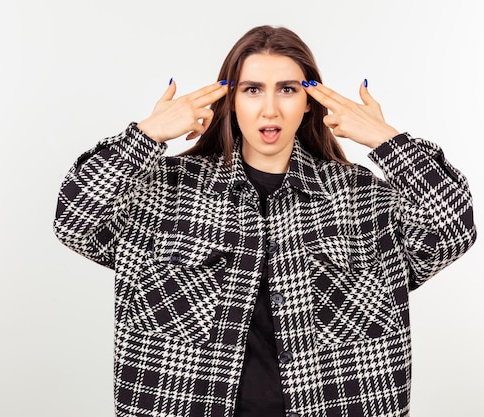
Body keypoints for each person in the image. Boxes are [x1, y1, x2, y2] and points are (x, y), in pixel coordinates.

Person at [53, 25, 476, 417]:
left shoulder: (362, 198)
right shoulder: (162, 192)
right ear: (229, 99)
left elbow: (452, 232)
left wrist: (388, 142)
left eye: (287, 89)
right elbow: (75, 221)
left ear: (309, 101)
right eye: (253, 89)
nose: (270, 109)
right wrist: (145, 135)